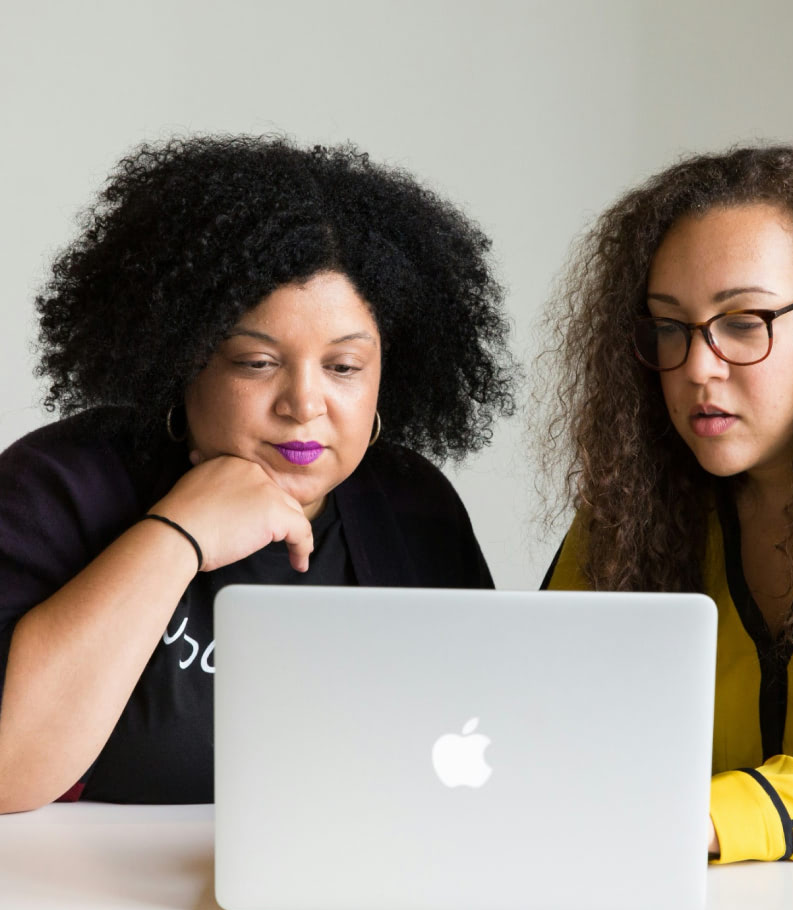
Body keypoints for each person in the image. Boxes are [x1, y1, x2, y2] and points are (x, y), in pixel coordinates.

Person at [0, 135, 515, 813]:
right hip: (98, 907)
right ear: (182, 358)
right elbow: (9, 773)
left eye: (343, 367)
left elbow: (485, 748)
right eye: (257, 362)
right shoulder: (59, 488)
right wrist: (177, 533)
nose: (303, 404)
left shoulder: (413, 507)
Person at [537, 145, 793, 863]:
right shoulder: (631, 514)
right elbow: (540, 722)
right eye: (669, 326)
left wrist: (714, 818)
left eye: (744, 320)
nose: (697, 366)